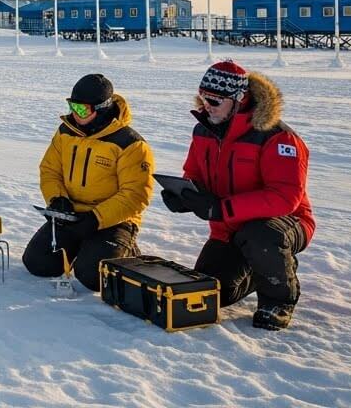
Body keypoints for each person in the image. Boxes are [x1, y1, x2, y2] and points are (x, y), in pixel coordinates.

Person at [161, 61, 314, 331]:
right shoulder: (203, 130)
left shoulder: (277, 137)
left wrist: (222, 208)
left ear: (238, 99)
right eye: (203, 96)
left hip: (286, 224)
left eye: (214, 100)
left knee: (260, 236)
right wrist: (185, 196)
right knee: (215, 293)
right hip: (228, 229)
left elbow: (284, 197)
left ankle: (278, 300)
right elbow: (193, 173)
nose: (206, 104)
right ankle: (262, 269)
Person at [21, 74, 153, 290]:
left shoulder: (130, 144)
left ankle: (125, 248)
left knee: (93, 276)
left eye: (82, 109)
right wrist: (57, 199)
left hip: (113, 220)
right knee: (38, 263)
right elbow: (50, 170)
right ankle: (85, 246)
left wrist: (96, 218)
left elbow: (135, 195)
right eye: (72, 106)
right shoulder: (66, 132)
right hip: (72, 214)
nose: (74, 113)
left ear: (101, 108)